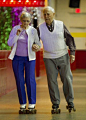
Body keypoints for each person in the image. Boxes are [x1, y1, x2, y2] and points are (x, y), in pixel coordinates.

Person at [32, 6, 76, 114]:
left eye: (48, 14)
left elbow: (69, 38)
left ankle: (70, 102)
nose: (46, 16)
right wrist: (35, 46)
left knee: (67, 78)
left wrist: (73, 53)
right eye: (45, 14)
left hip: (62, 55)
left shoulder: (61, 25)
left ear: (53, 14)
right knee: (52, 82)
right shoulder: (40, 28)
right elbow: (36, 41)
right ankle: (55, 104)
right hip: (48, 57)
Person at [7, 11, 41, 114]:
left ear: (30, 21)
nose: (25, 23)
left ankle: (32, 103)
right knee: (20, 81)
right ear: (20, 20)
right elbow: (9, 43)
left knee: (30, 80)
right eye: (24, 21)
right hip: (17, 59)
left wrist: (37, 47)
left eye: (27, 21)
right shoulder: (15, 29)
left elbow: (38, 44)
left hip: (30, 59)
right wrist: (17, 35)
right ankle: (22, 104)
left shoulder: (33, 31)